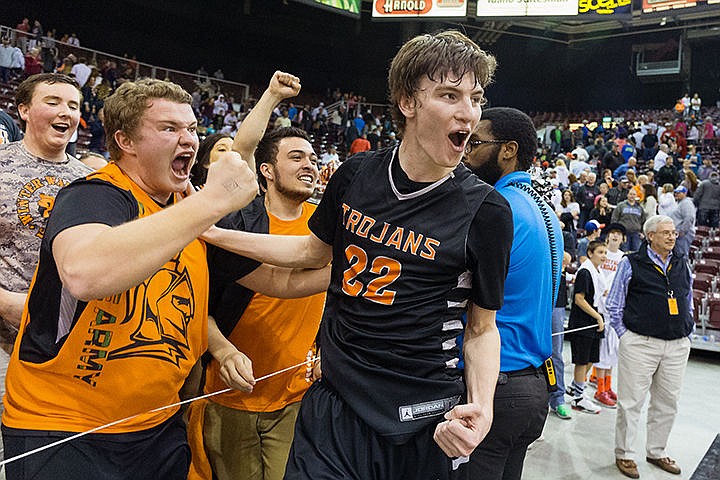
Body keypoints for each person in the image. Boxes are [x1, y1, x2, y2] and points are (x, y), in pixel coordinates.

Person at [201, 30, 513, 479]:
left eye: (476, 98)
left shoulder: (486, 211)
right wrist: (213, 234)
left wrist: (481, 407)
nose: (469, 113)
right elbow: (312, 250)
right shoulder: (356, 175)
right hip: (336, 403)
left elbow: (482, 329)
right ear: (408, 102)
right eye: (449, 95)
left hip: (422, 414)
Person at [1, 77, 259, 479]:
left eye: (192, 128)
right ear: (126, 141)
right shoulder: (95, 193)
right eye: (169, 129)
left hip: (154, 424)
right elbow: (85, 275)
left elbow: (280, 279)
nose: (188, 139)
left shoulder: (187, 207)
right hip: (67, 426)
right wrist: (212, 201)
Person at [188, 73, 328, 480]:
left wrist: (326, 349)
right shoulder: (241, 225)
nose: (309, 165)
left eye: (313, 159)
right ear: (266, 171)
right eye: (297, 157)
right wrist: (223, 351)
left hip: (295, 397)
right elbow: (202, 308)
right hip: (231, 395)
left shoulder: (324, 226)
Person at [462, 107, 563, 480]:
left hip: (497, 384)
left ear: (508, 150)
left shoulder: (497, 210)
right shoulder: (544, 210)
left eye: (476, 142)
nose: (466, 152)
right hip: (533, 387)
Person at [0, 73, 93, 465]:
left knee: (39, 455)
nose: (66, 112)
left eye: (73, 105)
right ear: (23, 110)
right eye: (53, 101)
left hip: (59, 344)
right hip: (1, 335)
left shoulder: (88, 181)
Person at [607, 215, 692, 478]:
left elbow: (687, 297)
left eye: (674, 233)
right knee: (631, 403)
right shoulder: (631, 262)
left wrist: (686, 329)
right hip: (640, 343)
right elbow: (614, 304)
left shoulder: (682, 262)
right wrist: (626, 336)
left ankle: (656, 451)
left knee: (668, 402)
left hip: (676, 344)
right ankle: (625, 454)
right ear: (650, 236)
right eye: (665, 233)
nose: (671, 237)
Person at [566, 240, 607, 414]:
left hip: (594, 320)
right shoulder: (585, 271)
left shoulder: (598, 272)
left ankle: (575, 387)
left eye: (605, 253)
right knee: (582, 360)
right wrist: (597, 316)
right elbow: (579, 299)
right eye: (600, 252)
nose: (604, 256)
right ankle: (579, 398)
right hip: (583, 321)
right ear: (590, 253)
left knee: (591, 358)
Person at [549, 252, 573, 419]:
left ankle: (558, 398)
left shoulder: (562, 234)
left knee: (556, 353)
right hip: (534, 295)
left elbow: (566, 258)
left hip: (556, 301)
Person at [669, 186, 695, 257]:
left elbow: (689, 218)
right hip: (677, 233)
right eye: (675, 193)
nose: (676, 194)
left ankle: (685, 268)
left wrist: (682, 231)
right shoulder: (679, 203)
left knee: (682, 256)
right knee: (678, 256)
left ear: (685, 193)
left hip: (684, 235)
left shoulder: (686, 203)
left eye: (679, 193)